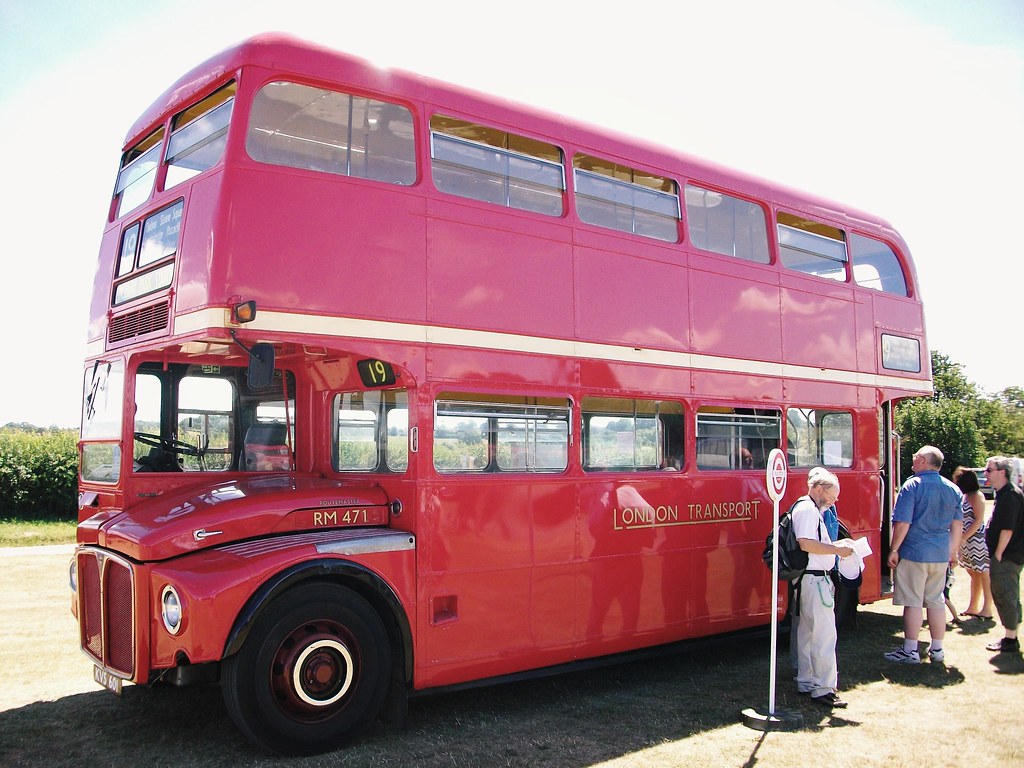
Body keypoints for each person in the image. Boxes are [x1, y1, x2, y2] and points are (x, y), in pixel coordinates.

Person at [884, 445, 963, 664]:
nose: (912, 459)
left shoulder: (913, 485)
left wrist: (894, 549)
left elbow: (903, 523)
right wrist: (952, 552)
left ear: (923, 460)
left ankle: (910, 650)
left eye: (915, 456)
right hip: (940, 554)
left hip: (914, 552)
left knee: (913, 602)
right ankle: (937, 650)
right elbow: (957, 526)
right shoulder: (953, 489)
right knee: (936, 601)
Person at [792, 468, 854, 708]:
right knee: (824, 634)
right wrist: (837, 551)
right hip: (816, 579)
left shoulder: (806, 508)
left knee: (807, 633)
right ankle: (824, 688)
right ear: (819, 489)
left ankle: (806, 680)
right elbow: (806, 543)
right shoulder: (808, 510)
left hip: (808, 578)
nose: (833, 501)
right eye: (832, 495)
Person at [983, 456, 1024, 654]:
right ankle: (1011, 634)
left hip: (1007, 557)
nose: (985, 473)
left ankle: (1010, 639)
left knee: (1005, 593)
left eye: (989, 470)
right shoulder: (1005, 494)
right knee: (1008, 594)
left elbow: (1007, 529)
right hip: (1007, 556)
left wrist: (998, 554)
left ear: (1002, 472)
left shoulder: (1010, 496)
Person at [952, 466, 993, 619]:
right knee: (973, 574)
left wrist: (963, 538)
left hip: (978, 541)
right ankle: (973, 607)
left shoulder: (978, 497)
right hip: (967, 542)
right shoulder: (965, 497)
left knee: (983, 573)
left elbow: (978, 521)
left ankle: (987, 608)